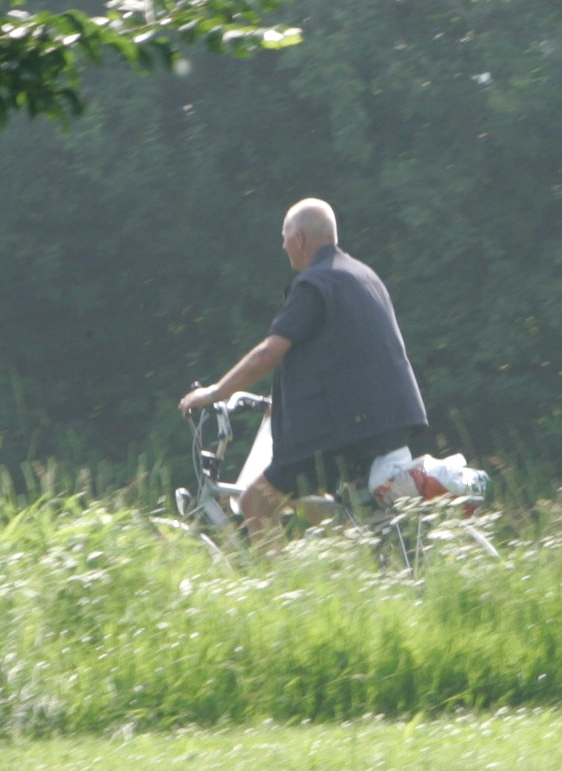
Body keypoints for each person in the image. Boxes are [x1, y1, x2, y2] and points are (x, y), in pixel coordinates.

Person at [180, 197, 429, 536]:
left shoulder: (314, 284)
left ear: (298, 238)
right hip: (393, 419)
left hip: (346, 429)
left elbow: (269, 353)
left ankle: (274, 587)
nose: (283, 246)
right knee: (311, 501)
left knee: (257, 502)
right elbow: (340, 357)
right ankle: (356, 563)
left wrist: (214, 393)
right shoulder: (363, 276)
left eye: (284, 237)